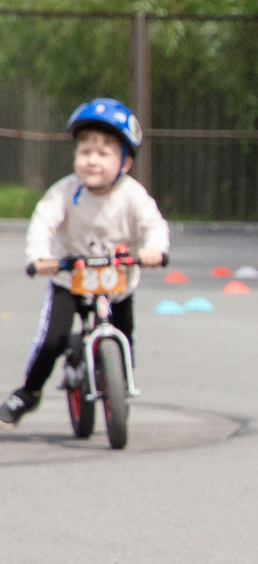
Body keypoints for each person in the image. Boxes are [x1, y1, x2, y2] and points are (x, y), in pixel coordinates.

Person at [6, 98, 166, 426]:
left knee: (125, 336)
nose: (92, 160)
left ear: (124, 163)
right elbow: (43, 221)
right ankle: (29, 392)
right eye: (85, 151)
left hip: (117, 282)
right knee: (53, 340)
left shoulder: (133, 196)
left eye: (104, 153)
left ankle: (119, 384)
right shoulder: (65, 192)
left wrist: (155, 250)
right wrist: (39, 256)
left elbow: (154, 225)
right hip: (70, 279)